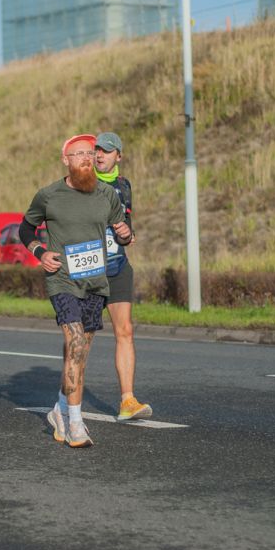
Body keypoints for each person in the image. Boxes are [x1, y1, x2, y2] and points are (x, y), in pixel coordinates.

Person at [19, 134, 132, 448]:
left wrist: (124, 233)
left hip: (96, 282)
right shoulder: (48, 195)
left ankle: (59, 408)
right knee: (77, 343)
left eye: (89, 152)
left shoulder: (107, 195)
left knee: (78, 356)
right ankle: (76, 423)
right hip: (63, 280)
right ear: (65, 159)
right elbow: (25, 228)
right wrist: (40, 251)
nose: (86, 157)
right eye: (79, 153)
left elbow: (121, 233)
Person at [94, 133, 153, 421]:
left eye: (106, 151)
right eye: (96, 150)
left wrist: (128, 234)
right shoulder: (82, 183)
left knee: (125, 331)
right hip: (88, 270)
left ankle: (127, 401)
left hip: (117, 265)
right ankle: (67, 400)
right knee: (82, 337)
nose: (99, 155)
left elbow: (126, 224)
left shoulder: (124, 186)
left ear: (119, 155)